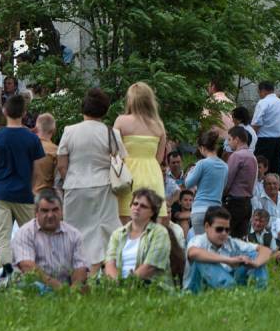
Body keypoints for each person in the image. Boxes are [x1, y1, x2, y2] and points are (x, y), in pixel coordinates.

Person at [57, 89, 125, 271]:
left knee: (76, 231)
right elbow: (120, 161)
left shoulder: (69, 131)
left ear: (83, 108)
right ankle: (107, 270)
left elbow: (62, 164)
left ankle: (78, 271)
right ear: (105, 110)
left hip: (75, 185)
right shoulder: (112, 133)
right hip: (105, 186)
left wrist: (70, 178)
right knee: (105, 231)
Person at [0, 94, 45, 268]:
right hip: (24, 193)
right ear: (24, 113)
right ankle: (31, 270)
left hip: (1, 192)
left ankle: (6, 274)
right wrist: (31, 187)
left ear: (5, 111)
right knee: (30, 236)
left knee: (2, 237)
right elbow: (37, 170)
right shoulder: (32, 138)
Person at [12, 189, 89, 289]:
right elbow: (27, 266)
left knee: (85, 288)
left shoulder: (74, 234)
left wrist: (73, 290)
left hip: (66, 286)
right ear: (36, 212)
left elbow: (81, 267)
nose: (50, 215)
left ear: (62, 211)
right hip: (34, 284)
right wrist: (58, 287)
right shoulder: (24, 233)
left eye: (55, 210)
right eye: (45, 211)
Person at [113, 82, 167, 221]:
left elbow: (114, 153)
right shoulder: (159, 125)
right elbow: (159, 159)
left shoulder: (121, 121)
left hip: (127, 178)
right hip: (153, 177)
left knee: (127, 230)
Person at [185, 205, 270, 292]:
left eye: (227, 230)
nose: (224, 233)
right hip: (197, 290)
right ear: (207, 227)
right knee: (202, 259)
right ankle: (230, 290)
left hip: (226, 281)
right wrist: (229, 260)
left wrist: (255, 263)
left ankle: (261, 291)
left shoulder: (231, 242)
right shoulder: (198, 240)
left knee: (254, 254)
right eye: (219, 229)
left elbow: (266, 250)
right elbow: (193, 253)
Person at [104, 188, 173, 285]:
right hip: (118, 286)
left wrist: (125, 285)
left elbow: (150, 267)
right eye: (135, 204)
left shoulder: (160, 233)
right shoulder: (117, 233)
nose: (137, 207)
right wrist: (115, 284)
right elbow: (110, 263)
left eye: (143, 206)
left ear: (152, 212)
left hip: (150, 287)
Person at [185, 130, 229, 232]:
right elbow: (223, 187)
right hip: (216, 211)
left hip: (199, 209)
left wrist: (191, 172)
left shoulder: (202, 163)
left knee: (201, 245)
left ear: (202, 148)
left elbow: (188, 184)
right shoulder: (225, 166)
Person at [223, 125, 258, 237]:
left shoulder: (237, 156)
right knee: (240, 238)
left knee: (225, 236)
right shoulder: (252, 156)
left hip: (234, 202)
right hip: (247, 203)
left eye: (229, 139)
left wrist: (221, 195)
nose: (228, 143)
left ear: (236, 139)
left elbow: (227, 181)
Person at [250, 81, 280, 178]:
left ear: (262, 90)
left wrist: (251, 141)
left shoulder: (263, 103)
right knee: (276, 168)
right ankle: (277, 190)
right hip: (279, 141)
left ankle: (260, 190)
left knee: (261, 169)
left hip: (264, 141)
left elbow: (256, 123)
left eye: (259, 92)